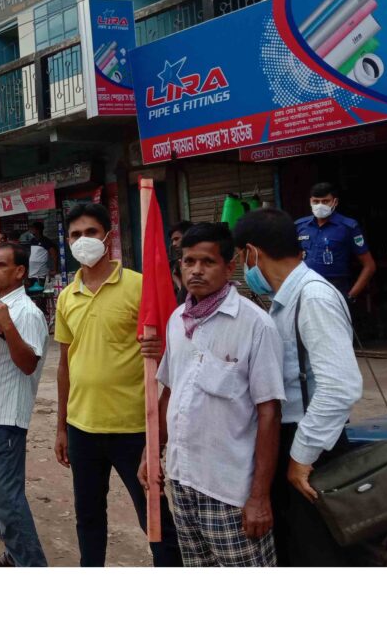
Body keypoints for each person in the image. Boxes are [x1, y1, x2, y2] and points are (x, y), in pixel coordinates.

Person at [141, 223, 284, 567]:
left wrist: (259, 497)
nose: (196, 271)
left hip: (229, 490)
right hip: (182, 480)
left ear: (229, 265)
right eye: (188, 262)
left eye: (207, 262)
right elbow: (170, 392)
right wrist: (151, 452)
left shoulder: (255, 325)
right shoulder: (178, 320)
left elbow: (269, 413)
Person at [233, 207, 363, 566]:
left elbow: (340, 386)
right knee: (294, 549)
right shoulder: (286, 299)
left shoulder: (314, 297)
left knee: (316, 554)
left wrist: (301, 457)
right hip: (293, 439)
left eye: (242, 258)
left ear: (252, 253)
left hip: (312, 444)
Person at [54, 203, 181, 567]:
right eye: (75, 235)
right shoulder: (67, 296)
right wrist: (61, 426)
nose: (83, 241)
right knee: (89, 517)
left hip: (134, 428)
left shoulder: (140, 286)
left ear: (108, 238)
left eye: (91, 233)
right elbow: (65, 364)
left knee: (154, 517)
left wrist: (161, 349)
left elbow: (176, 349)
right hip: (82, 428)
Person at [0, 243, 49, 567]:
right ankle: (14, 554)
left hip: (5, 416)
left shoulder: (26, 313)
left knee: (5, 496)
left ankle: (32, 564)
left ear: (20, 272)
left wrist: (6, 325)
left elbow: (28, 363)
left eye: (1, 265)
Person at [295, 182, 376, 300]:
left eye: (325, 201)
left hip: (336, 288)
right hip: (306, 288)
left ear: (335, 202)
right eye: (316, 201)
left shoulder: (348, 227)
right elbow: (292, 260)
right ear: (310, 202)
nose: (320, 205)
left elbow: (369, 266)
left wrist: (351, 295)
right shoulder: (300, 226)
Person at [169, 220, 194, 305]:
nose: (174, 244)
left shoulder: (198, 266)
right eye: (172, 241)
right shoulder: (174, 267)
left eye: (176, 239)